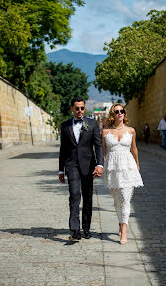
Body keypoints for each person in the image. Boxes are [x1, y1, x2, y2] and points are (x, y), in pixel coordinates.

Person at [59, 97, 104, 241]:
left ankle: (86, 228)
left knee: (87, 197)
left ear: (84, 108)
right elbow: (63, 149)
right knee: (74, 195)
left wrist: (100, 164)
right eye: (77, 108)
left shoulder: (92, 123)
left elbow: (98, 145)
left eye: (82, 108)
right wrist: (61, 170)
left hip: (89, 166)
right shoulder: (65, 125)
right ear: (72, 108)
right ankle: (74, 230)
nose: (80, 111)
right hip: (72, 165)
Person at [102, 103, 143, 245]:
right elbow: (103, 152)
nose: (120, 113)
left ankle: (124, 230)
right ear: (112, 115)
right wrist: (101, 166)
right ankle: (120, 223)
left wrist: (137, 164)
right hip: (112, 170)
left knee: (126, 199)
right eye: (117, 111)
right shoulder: (105, 132)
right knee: (117, 200)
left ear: (124, 113)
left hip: (128, 168)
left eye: (122, 111)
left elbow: (134, 149)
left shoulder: (131, 131)